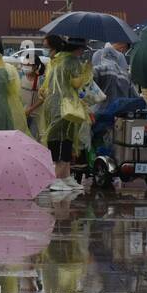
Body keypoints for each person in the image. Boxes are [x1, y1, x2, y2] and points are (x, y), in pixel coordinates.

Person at [39, 38, 93, 191]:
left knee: (60, 138)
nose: (83, 52)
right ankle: (57, 177)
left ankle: (66, 176)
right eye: (82, 49)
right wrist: (87, 72)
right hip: (66, 106)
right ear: (77, 49)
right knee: (64, 139)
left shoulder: (57, 60)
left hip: (53, 105)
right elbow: (76, 84)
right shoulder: (72, 61)